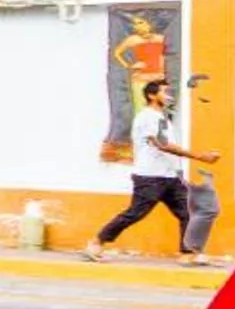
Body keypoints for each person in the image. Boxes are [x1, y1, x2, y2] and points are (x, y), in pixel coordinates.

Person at [89, 77, 220, 265]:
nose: (168, 95)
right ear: (152, 95)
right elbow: (162, 144)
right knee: (135, 213)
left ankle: (188, 253)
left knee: (187, 212)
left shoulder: (162, 118)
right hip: (150, 177)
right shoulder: (147, 117)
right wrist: (200, 156)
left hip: (169, 177)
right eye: (164, 92)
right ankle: (96, 242)